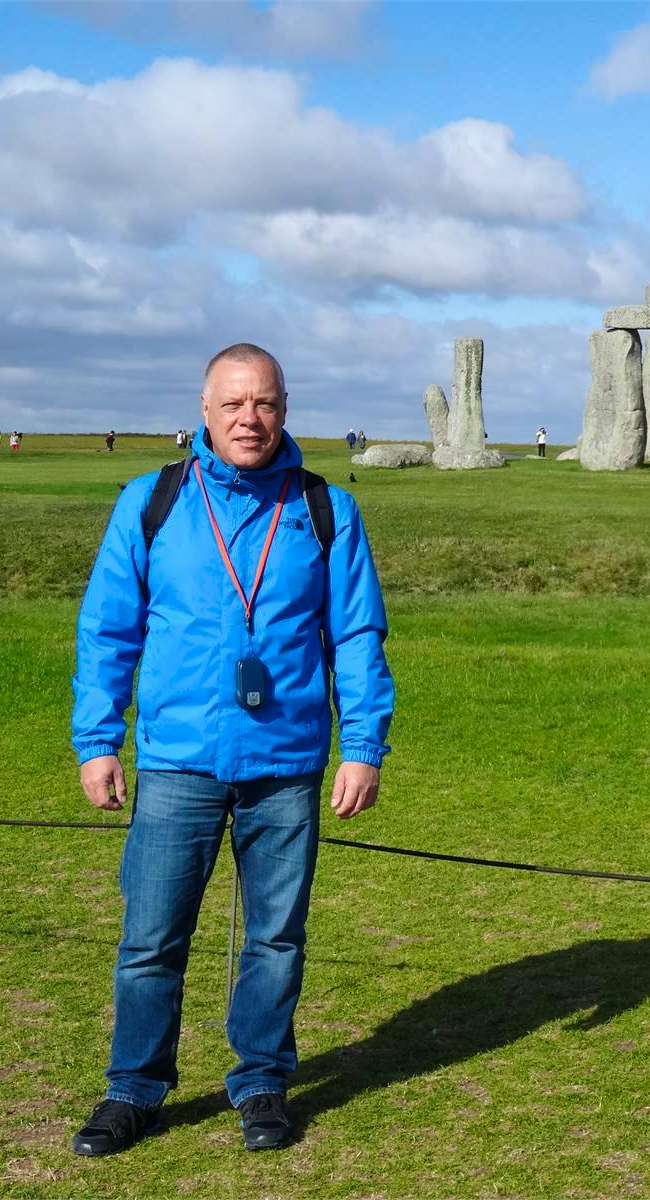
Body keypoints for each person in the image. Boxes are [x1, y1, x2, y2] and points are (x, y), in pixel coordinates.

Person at [69, 343, 394, 1157]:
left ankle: (260, 1083)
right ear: (204, 412)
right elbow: (108, 630)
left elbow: (355, 636)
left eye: (268, 404)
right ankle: (135, 1089)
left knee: (276, 938)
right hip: (177, 760)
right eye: (234, 405)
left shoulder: (326, 509)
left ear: (286, 410)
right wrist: (97, 739)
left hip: (287, 764)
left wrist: (364, 745)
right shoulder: (151, 502)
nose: (251, 420)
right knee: (151, 937)